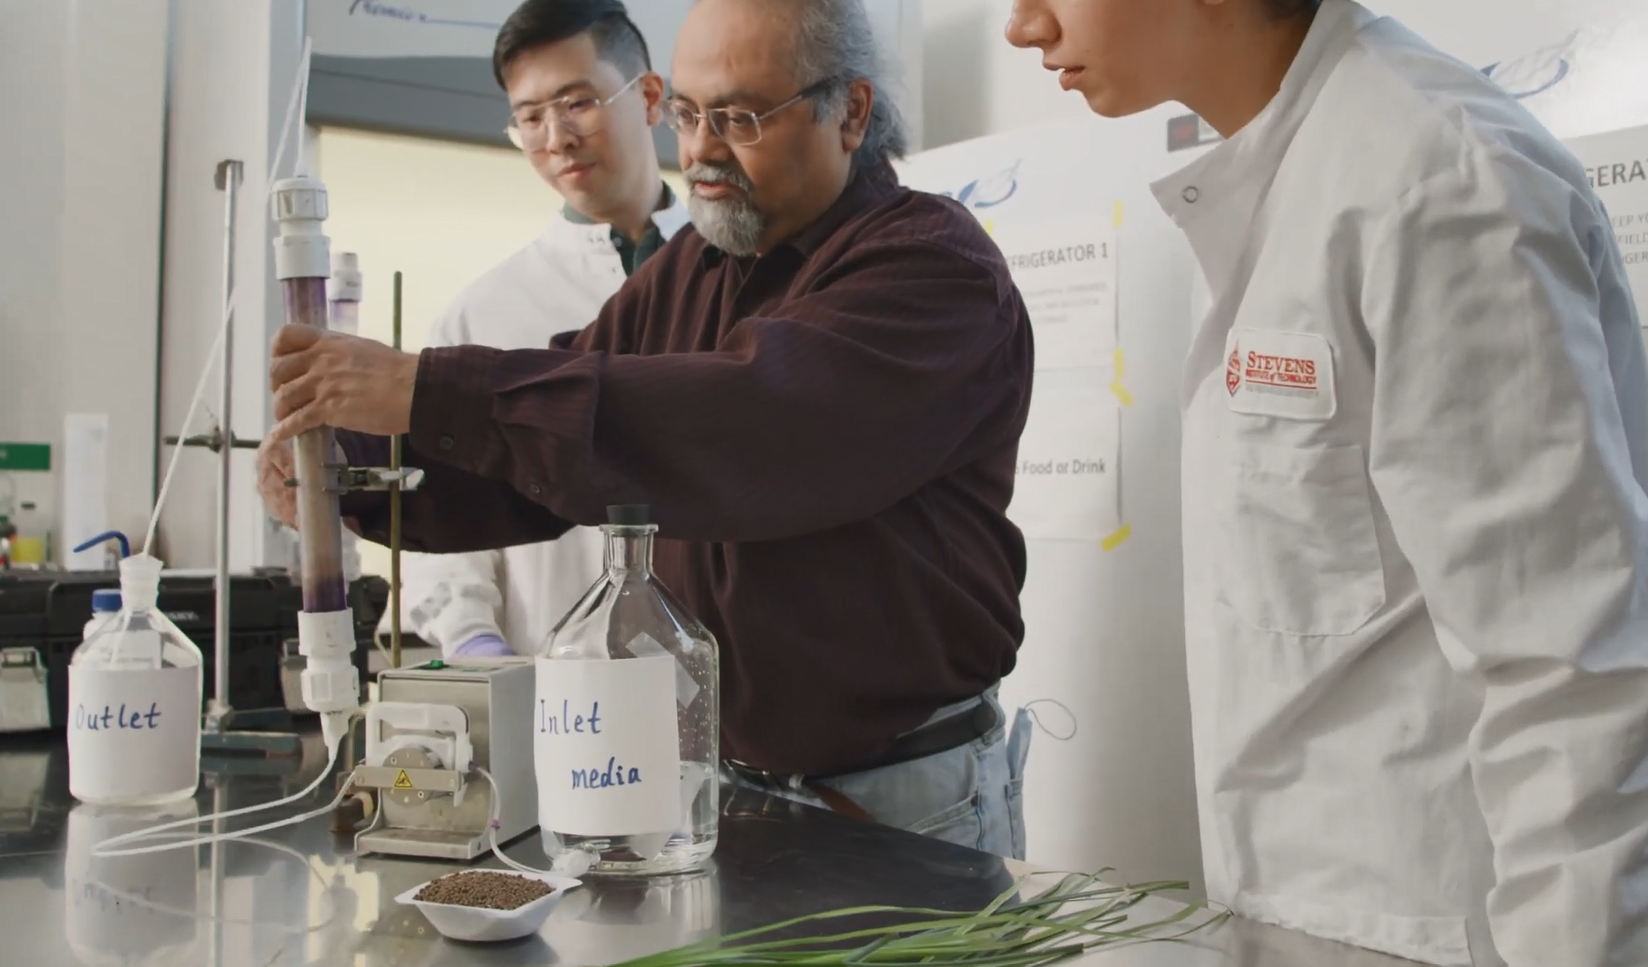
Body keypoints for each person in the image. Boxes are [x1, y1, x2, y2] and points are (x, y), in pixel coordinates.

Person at [260, 0, 1037, 858]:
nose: (700, 149)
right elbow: (546, 462)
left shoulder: (932, 266)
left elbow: (744, 426)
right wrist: (354, 473)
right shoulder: (690, 269)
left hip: (899, 800)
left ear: (849, 110)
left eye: (739, 117)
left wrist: (426, 387)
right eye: (688, 115)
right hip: (718, 785)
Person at [1007, 0, 1648, 964]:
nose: (1023, 27)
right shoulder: (1270, 176)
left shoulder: (1436, 183)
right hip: (1295, 917)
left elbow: (1571, 674)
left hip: (1449, 933)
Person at [398, 0, 691, 661]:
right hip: (560, 695)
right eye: (530, 117)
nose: (555, 136)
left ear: (648, 97)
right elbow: (445, 531)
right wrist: (479, 648)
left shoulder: (741, 274)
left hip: (733, 694)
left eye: (577, 103)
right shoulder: (481, 315)